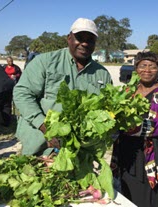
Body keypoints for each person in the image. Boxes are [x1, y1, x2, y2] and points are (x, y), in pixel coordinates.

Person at [13, 17, 113, 155]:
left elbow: (106, 110)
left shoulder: (102, 74)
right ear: (69, 38)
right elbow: (22, 93)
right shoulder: (45, 62)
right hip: (39, 144)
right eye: (79, 38)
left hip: (80, 151)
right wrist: (45, 127)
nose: (84, 43)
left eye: (90, 40)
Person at [111, 51, 158, 207]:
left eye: (152, 66)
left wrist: (133, 128)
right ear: (136, 68)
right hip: (126, 154)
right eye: (143, 66)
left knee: (148, 200)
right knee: (127, 195)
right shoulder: (128, 92)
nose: (147, 70)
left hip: (150, 156)